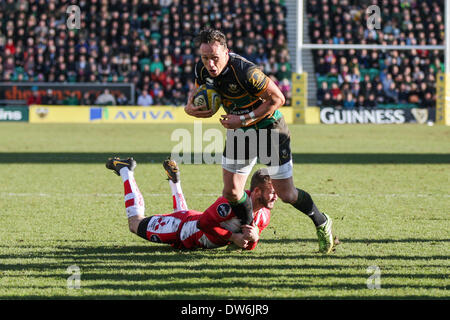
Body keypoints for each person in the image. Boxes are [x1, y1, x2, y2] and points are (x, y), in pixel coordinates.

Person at [184, 29, 337, 254]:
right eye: (205, 58)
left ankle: (322, 221)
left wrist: (242, 118)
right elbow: (198, 91)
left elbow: (278, 99)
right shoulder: (203, 68)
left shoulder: (246, 72)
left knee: (287, 195)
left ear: (226, 52)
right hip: (240, 131)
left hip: (269, 128)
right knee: (232, 192)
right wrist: (189, 107)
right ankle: (249, 229)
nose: (210, 64)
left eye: (215, 58)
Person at [105, 157, 276, 251]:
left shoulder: (264, 215)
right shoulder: (230, 203)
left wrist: (254, 240)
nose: (277, 196)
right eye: (273, 191)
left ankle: (175, 182)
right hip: (179, 229)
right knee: (135, 223)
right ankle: (126, 170)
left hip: (190, 226)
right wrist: (232, 237)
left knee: (185, 216)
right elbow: (203, 224)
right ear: (257, 192)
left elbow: (244, 244)